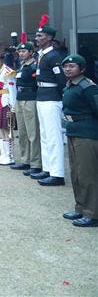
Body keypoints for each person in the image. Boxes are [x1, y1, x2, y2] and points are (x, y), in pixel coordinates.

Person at [60, 54, 98, 227]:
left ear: (82, 69)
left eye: (72, 66)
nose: (68, 69)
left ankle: (93, 213)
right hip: (73, 131)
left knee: (88, 174)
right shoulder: (69, 86)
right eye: (66, 66)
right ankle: (81, 207)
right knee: (76, 173)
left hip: (87, 133)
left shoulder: (87, 87)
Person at [31, 15, 67, 186]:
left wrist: (60, 96)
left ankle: (57, 173)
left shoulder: (54, 56)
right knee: (45, 135)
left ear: (50, 38)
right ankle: (47, 168)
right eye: (37, 36)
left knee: (53, 136)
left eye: (40, 36)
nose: (37, 38)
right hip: (42, 96)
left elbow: (61, 80)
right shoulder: (41, 55)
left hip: (51, 97)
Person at [11, 41, 42, 175]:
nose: (21, 53)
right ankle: (25, 159)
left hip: (31, 98)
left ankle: (36, 163)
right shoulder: (21, 65)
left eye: (24, 51)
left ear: (31, 52)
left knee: (33, 132)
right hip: (20, 97)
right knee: (22, 132)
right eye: (20, 51)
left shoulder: (35, 65)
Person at [0, 51, 17, 165]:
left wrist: (13, 106)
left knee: (7, 129)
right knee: (0, 128)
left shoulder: (8, 72)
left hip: (6, 102)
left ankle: (10, 156)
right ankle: (4, 154)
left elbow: (12, 90)